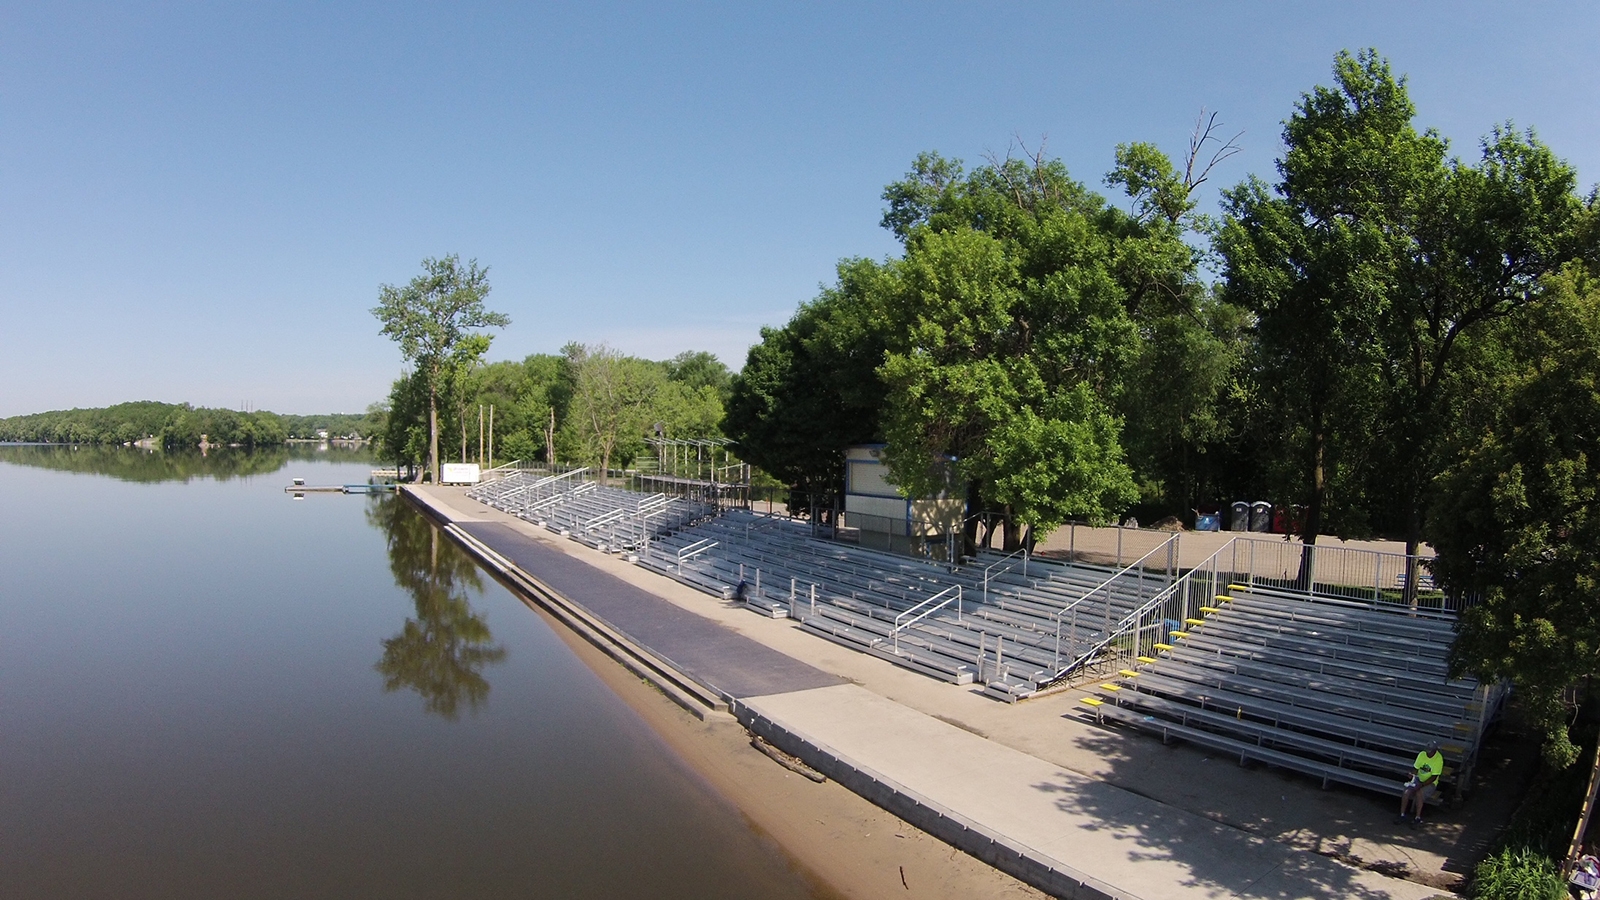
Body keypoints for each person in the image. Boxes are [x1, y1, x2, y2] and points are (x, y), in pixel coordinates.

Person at [1397, 740, 1444, 828]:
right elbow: (1416, 768)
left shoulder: (1439, 759)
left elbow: (1434, 777)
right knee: (1406, 792)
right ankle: (1402, 815)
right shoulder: (1422, 754)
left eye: (1430, 751)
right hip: (1418, 779)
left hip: (1431, 782)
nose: (1428, 753)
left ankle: (1417, 818)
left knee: (1419, 793)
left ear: (1434, 750)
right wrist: (1412, 774)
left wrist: (1421, 785)